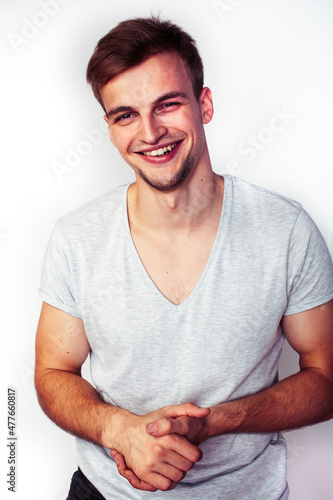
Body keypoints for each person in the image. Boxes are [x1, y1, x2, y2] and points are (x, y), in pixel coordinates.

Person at [34, 15, 333, 500]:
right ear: (109, 128)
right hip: (105, 492)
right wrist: (118, 430)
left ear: (204, 104)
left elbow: (326, 375)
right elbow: (53, 372)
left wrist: (217, 422)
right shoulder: (76, 238)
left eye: (167, 104)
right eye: (125, 115)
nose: (150, 132)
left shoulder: (287, 231)